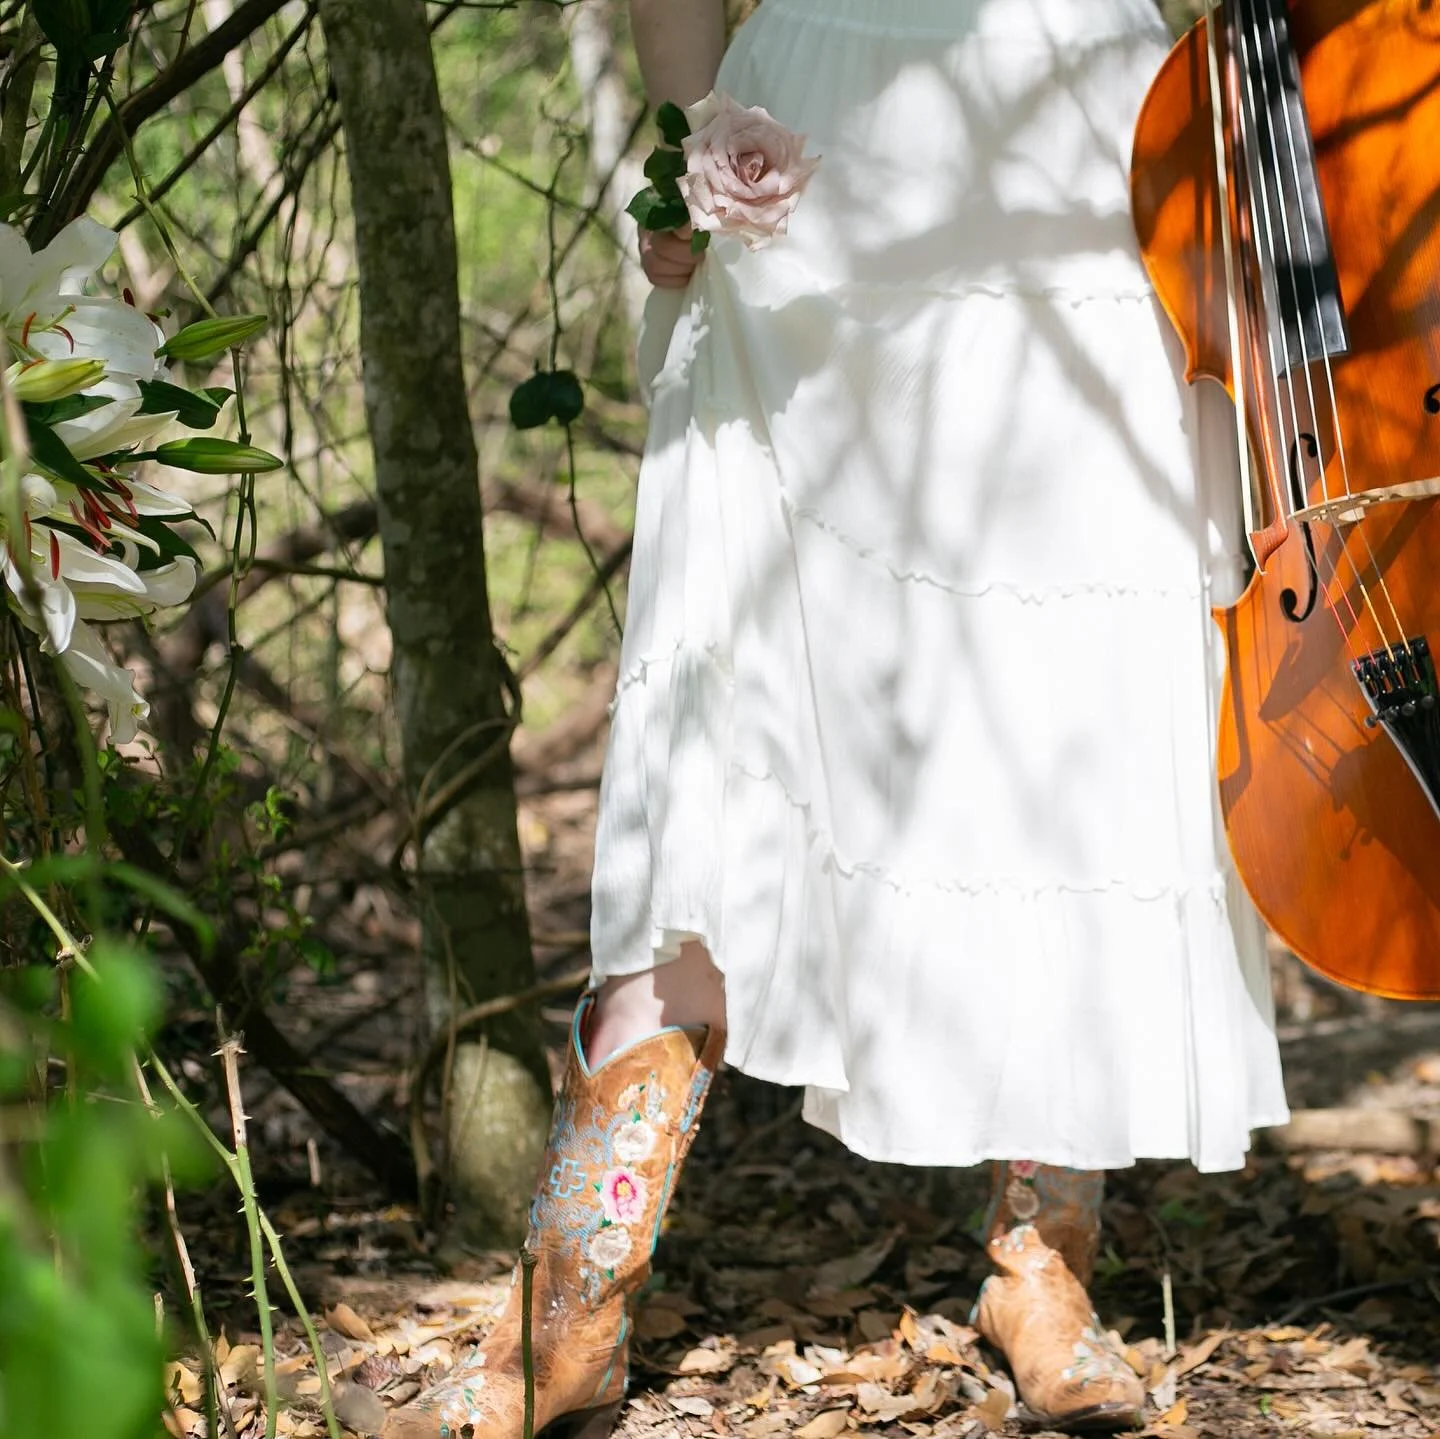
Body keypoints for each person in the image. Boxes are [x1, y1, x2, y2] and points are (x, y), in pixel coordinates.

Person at [382, 0, 1290, 1433]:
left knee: (1078, 696)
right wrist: (692, 149)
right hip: (812, 163)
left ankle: (1041, 1262)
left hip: (1097, 142)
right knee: (729, 708)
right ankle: (577, 1286)